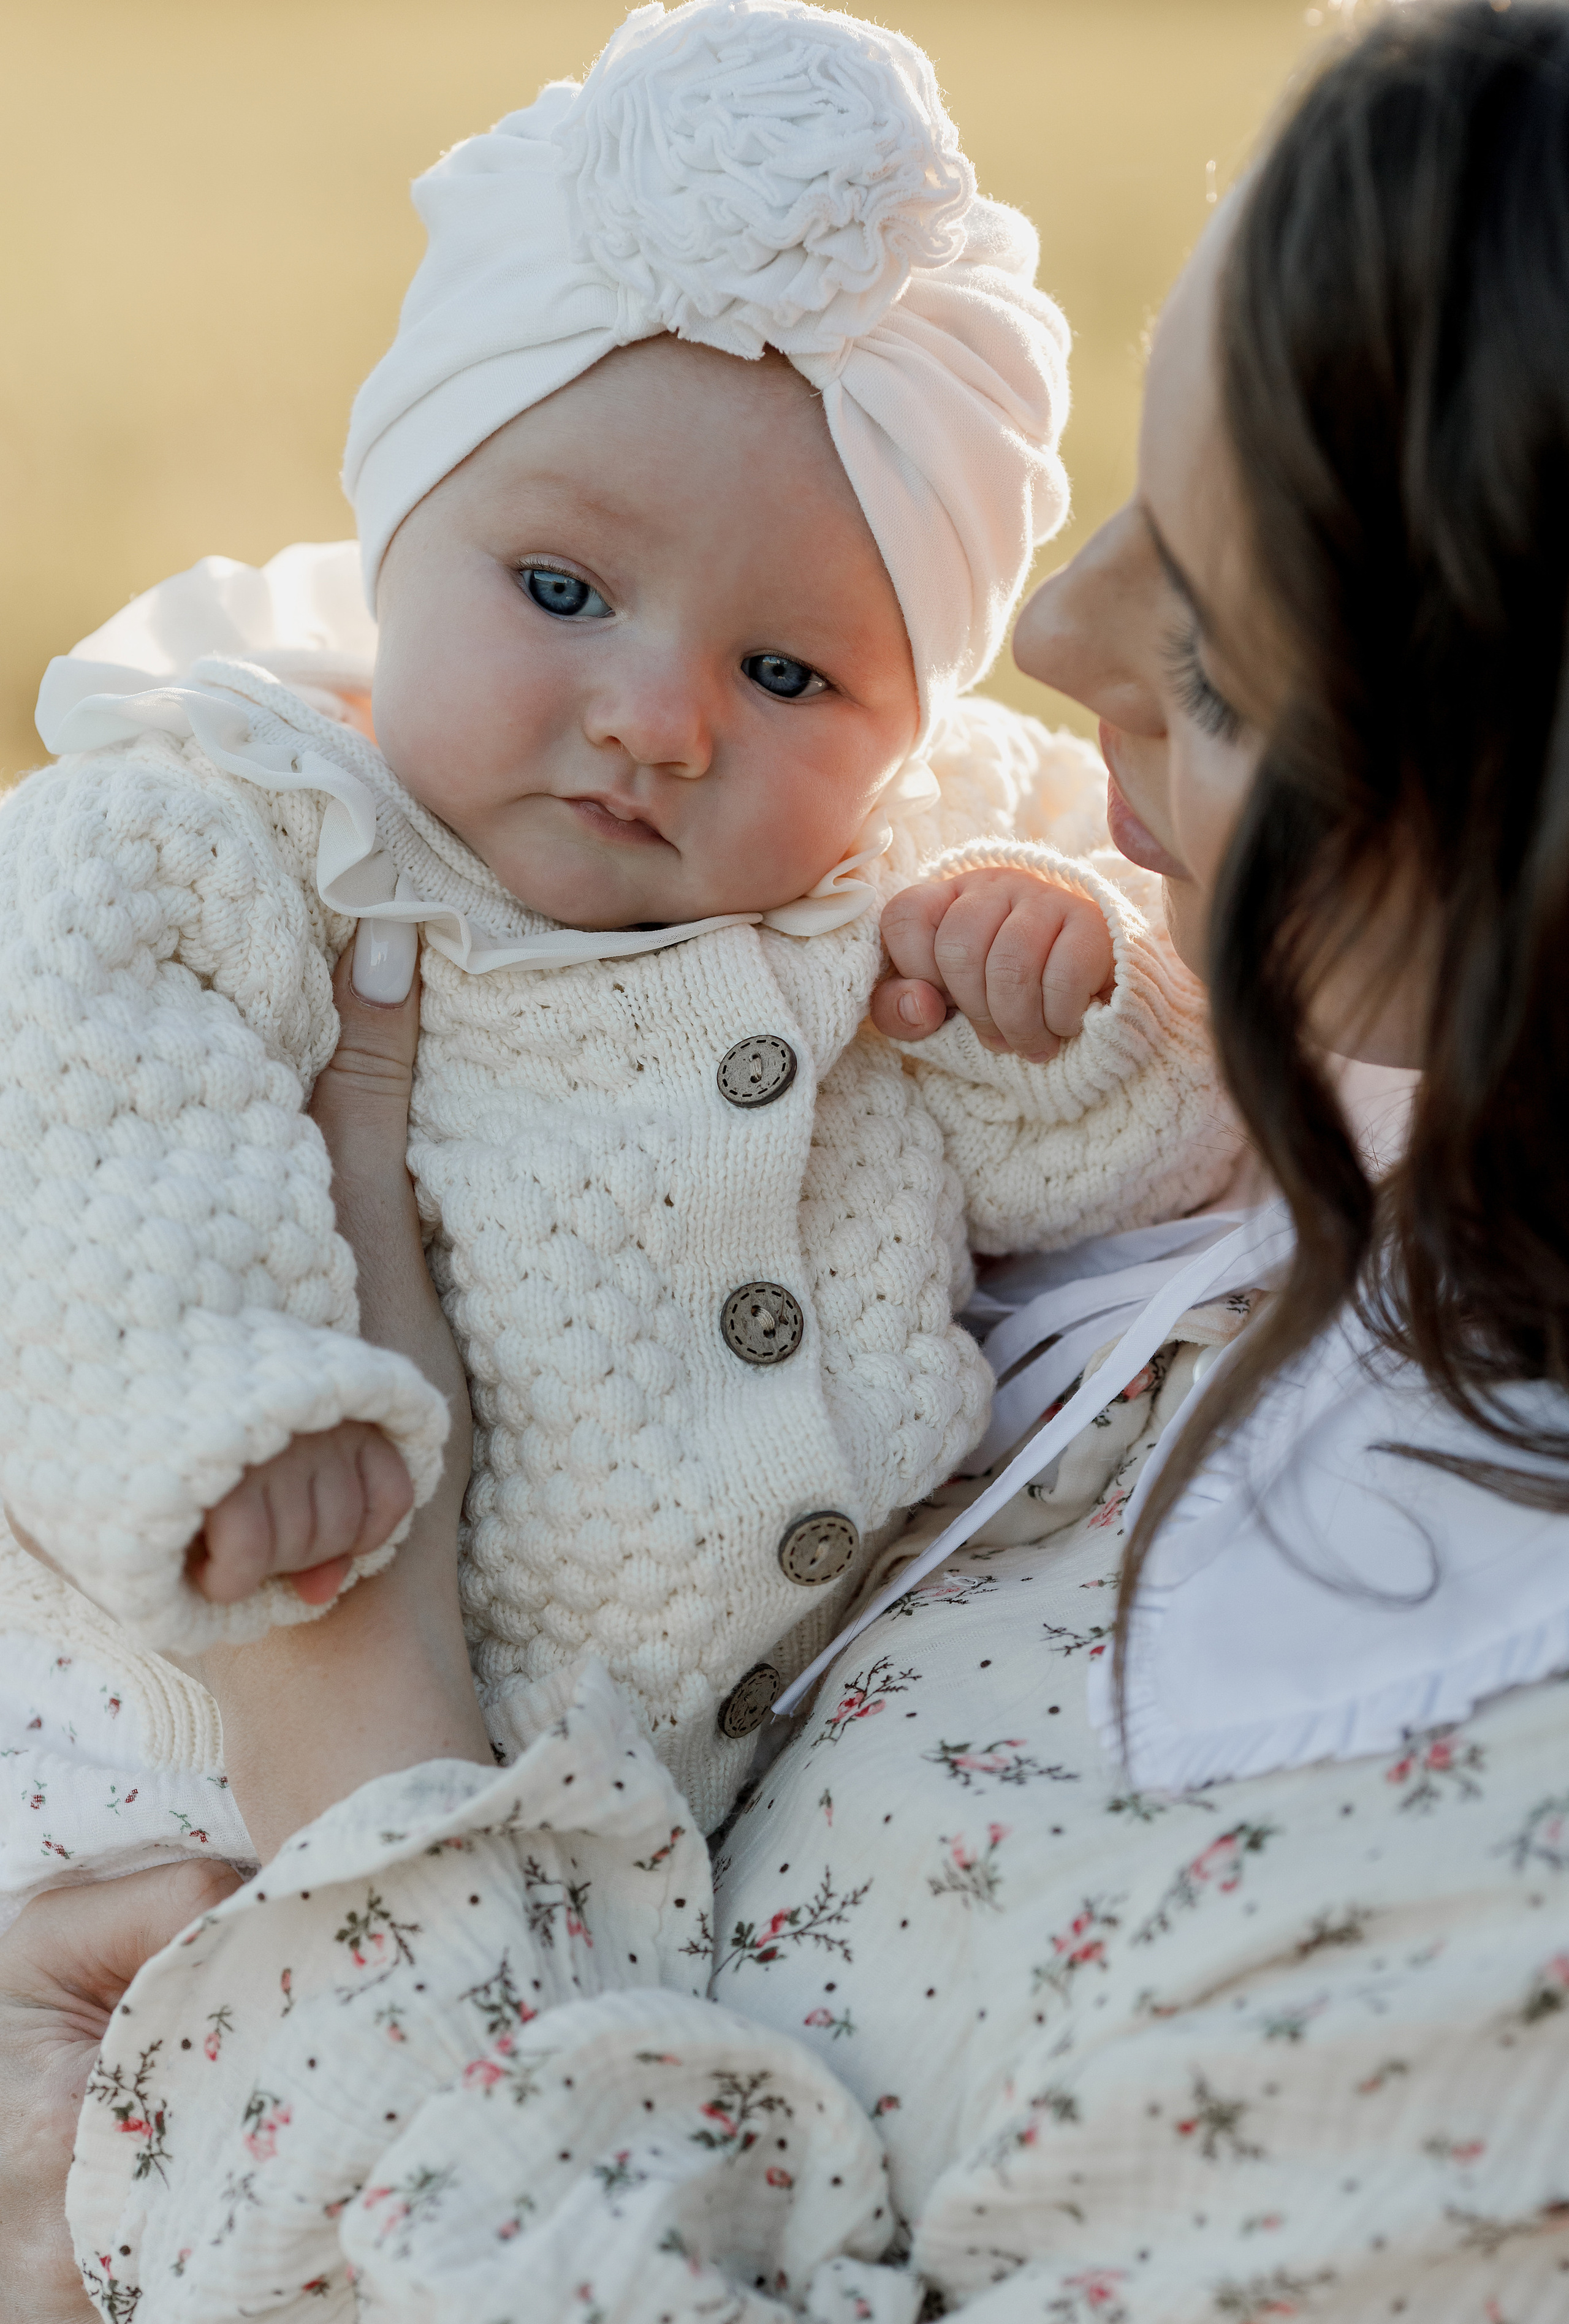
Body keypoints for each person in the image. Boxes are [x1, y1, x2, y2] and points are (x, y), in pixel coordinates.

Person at [23, 1, 1569, 2324]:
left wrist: (350, 1719)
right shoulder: (259, 823)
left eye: (1238, 673)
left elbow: (1070, 1110)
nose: (1042, 643)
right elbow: (92, 1110)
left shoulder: (1463, 1925)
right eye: (1138, 490)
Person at [0, 0, 1230, 1921]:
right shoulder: (232, 827)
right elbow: (80, 1123)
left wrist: (1051, 1007)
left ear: (909, 719)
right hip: (169, 1759)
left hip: (658, 1831)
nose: (660, 720)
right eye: (561, 592)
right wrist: (235, 1398)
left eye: (789, 672)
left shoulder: (889, 882)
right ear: (394, 534)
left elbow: (1140, 1175)